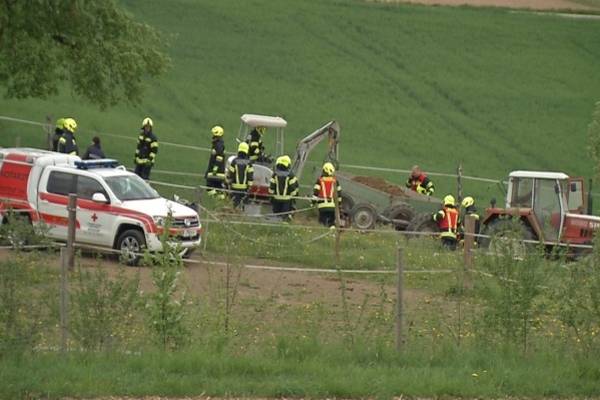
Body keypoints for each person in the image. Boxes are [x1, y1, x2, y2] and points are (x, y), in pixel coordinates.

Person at [269, 155, 299, 221]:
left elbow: (271, 188)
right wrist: (294, 198)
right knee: (284, 217)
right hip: (287, 200)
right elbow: (293, 188)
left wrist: (271, 196)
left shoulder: (275, 175)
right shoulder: (291, 175)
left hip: (276, 199)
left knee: (276, 217)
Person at [313, 162, 342, 227]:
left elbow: (315, 193)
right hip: (332, 207)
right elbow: (339, 194)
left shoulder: (319, 181)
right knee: (331, 224)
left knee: (322, 224)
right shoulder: (335, 181)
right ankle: (332, 231)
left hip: (322, 206)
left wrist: (313, 203)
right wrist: (339, 204)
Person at [226, 142, 254, 208]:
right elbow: (250, 176)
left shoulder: (234, 161)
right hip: (244, 188)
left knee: (234, 204)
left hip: (234, 187)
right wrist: (249, 187)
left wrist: (229, 183)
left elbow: (230, 174)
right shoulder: (249, 163)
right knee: (243, 205)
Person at [205, 125, 226, 199]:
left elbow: (219, 157)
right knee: (218, 188)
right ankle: (220, 200)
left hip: (216, 171)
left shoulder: (219, 145)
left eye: (214, 135)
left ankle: (215, 199)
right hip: (218, 171)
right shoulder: (218, 144)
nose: (213, 136)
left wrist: (215, 168)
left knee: (209, 186)